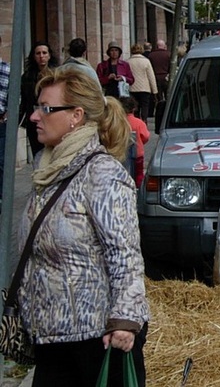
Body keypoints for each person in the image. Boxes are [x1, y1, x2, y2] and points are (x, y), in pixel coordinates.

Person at [19, 65, 149, 386]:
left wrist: (124, 321)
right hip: (51, 338)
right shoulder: (49, 168)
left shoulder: (102, 174)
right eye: (36, 107)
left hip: (98, 340)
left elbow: (126, 254)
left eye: (46, 108)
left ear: (76, 115)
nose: (35, 116)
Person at [20, 41, 59, 157]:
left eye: (44, 53)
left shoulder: (57, 74)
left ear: (49, 55)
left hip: (53, 118)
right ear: (34, 56)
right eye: (38, 53)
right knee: (38, 155)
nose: (41, 56)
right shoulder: (27, 77)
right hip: (35, 121)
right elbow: (25, 100)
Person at [120, 97, 150, 188]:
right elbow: (145, 136)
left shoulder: (118, 122)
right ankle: (138, 189)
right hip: (138, 153)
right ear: (134, 108)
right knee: (138, 174)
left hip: (120, 153)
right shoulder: (139, 123)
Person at [127, 44, 158, 122]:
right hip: (144, 88)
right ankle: (144, 120)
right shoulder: (146, 61)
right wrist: (155, 91)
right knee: (145, 106)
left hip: (132, 88)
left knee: (135, 107)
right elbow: (151, 76)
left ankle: (137, 121)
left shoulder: (128, 62)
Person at [0, 36, 9, 206]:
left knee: (1, 161)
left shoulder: (6, 69)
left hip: (0, 120)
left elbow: (14, 94)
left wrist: (7, 114)